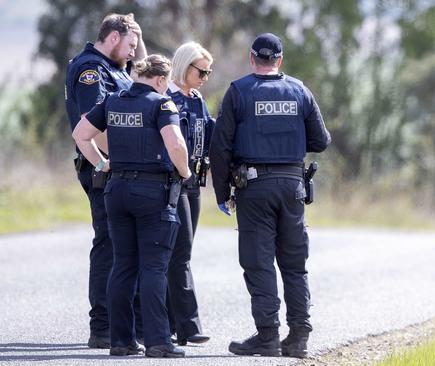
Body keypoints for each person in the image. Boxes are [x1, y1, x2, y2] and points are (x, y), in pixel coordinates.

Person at [209, 33, 331, 358]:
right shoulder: (299, 90)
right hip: (293, 187)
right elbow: (321, 140)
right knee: (294, 264)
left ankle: (267, 336)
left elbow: (219, 147)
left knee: (259, 261)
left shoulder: (238, 92)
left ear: (252, 58)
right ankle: (299, 336)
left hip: (254, 188)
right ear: (280, 60)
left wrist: (222, 193)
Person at [72, 54, 191, 358]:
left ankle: (121, 340)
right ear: (161, 80)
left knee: (123, 266)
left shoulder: (112, 100)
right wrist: (186, 172)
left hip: (117, 190)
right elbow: (176, 144)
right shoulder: (161, 104)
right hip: (152, 193)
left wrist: (102, 163)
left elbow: (80, 134)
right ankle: (158, 342)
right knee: (153, 267)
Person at [64, 13, 147, 349]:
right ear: (113, 37)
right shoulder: (90, 69)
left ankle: (127, 324)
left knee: (128, 245)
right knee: (109, 244)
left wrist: (138, 42)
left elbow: (149, 77)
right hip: (103, 167)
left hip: (125, 167)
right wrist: (124, 156)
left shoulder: (119, 67)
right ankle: (101, 326)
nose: (133, 52)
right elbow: (92, 123)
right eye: (130, 45)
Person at [165, 41, 214, 346]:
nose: (205, 77)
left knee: (181, 253)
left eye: (209, 72)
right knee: (179, 255)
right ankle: (189, 326)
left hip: (194, 182)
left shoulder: (197, 100)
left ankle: (170, 323)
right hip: (172, 182)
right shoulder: (165, 98)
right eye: (202, 71)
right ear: (185, 66)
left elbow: (210, 134)